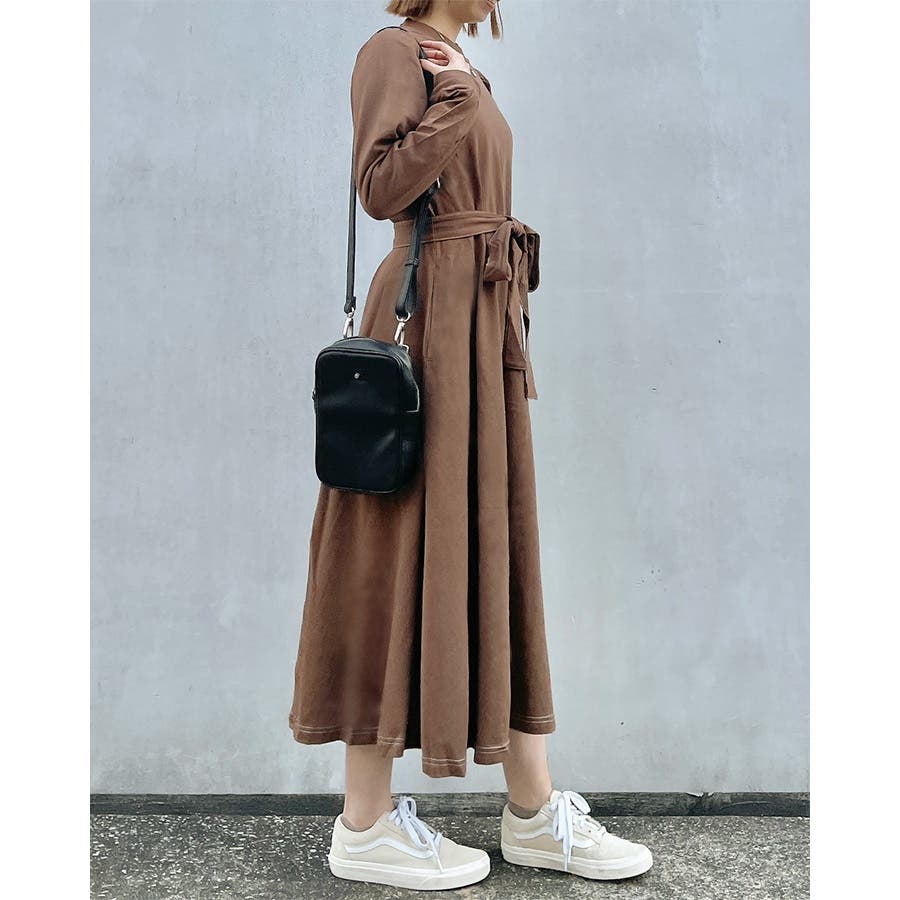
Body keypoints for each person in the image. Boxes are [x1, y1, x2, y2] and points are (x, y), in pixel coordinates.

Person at [287, 0, 653, 890]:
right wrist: (453, 102)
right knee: (391, 549)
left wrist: (461, 93)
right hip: (427, 329)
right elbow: (381, 190)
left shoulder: (454, 61)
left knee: (494, 547)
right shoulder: (395, 52)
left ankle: (532, 809)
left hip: (480, 324)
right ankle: (365, 824)